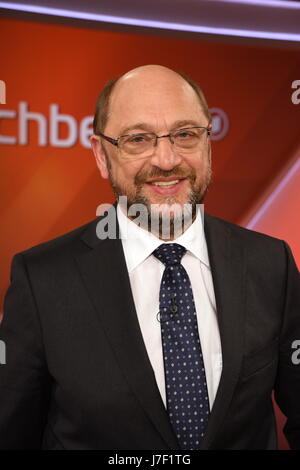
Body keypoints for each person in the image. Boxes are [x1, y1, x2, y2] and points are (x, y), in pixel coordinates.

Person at [0, 65, 299, 450]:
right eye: (138, 139)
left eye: (185, 134)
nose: (166, 159)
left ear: (208, 142)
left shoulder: (270, 263)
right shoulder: (42, 280)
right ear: (102, 155)